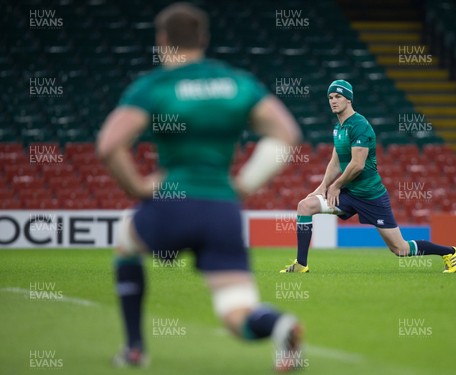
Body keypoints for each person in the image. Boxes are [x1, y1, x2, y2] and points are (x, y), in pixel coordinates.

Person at [97, 3, 304, 371]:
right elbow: (286, 134)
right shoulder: (237, 83)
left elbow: (110, 144)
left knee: (126, 242)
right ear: (204, 39)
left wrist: (140, 189)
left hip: (172, 201)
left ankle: (134, 349)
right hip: (222, 210)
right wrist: (244, 184)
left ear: (162, 40)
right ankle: (279, 325)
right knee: (235, 310)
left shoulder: (155, 86)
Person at [280, 80, 456, 273]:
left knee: (400, 249)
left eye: (338, 97)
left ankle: (450, 252)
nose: (333, 101)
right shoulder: (339, 127)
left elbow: (357, 165)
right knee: (305, 206)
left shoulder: (360, 126)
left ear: (348, 99)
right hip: (349, 194)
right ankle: (301, 264)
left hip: (371, 196)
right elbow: (335, 162)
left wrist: (336, 185)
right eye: (330, 97)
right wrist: (323, 186)